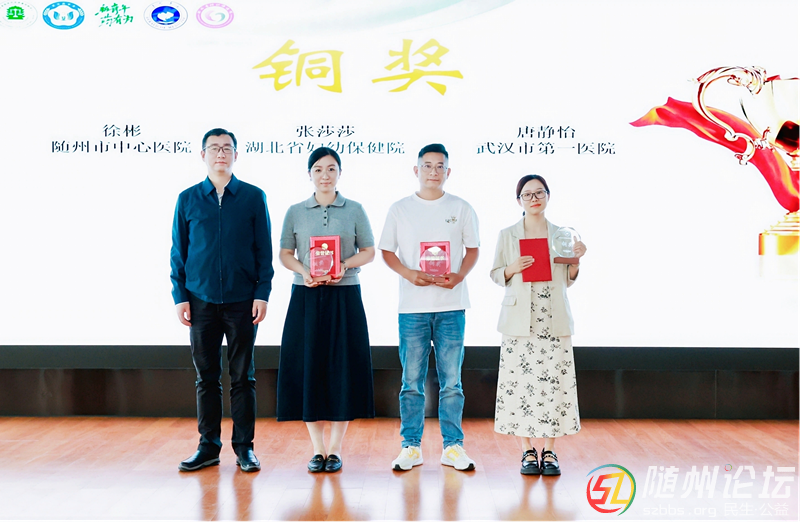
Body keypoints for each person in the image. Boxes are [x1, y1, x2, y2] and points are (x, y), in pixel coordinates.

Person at [170, 128, 273, 473]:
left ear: (236, 155)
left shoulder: (253, 197)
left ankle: (245, 448)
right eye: (214, 148)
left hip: (242, 300)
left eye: (227, 148)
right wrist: (180, 296)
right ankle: (208, 447)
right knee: (207, 377)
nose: (220, 154)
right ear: (203, 155)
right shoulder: (187, 199)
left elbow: (264, 251)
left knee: (243, 376)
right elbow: (179, 252)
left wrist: (262, 293)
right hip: (199, 301)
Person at [379, 143, 480, 472]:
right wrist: (409, 274)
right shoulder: (400, 209)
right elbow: (387, 251)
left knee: (452, 382)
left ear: (448, 172)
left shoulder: (461, 207)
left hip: (452, 305)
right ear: (416, 170)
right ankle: (410, 446)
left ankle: (453, 446)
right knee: (411, 381)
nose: (433, 172)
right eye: (427, 165)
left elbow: (473, 250)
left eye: (439, 166)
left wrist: (459, 276)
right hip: (413, 308)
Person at [277, 147, 376, 473]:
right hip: (305, 297)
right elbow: (285, 254)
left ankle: (335, 450)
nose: (325, 175)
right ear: (309, 174)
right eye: (318, 169)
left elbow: (369, 251)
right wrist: (304, 271)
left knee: (341, 369)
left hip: (344, 296)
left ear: (339, 173)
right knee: (308, 368)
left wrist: (343, 265)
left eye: (331, 169)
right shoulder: (295, 211)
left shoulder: (355, 209)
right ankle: (317, 449)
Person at [489, 174, 586, 476]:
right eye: (527, 194)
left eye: (539, 193)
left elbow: (568, 279)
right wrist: (511, 268)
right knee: (520, 386)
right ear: (518, 200)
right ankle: (527, 450)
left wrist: (576, 262)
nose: (534, 198)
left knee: (554, 386)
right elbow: (495, 274)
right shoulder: (507, 234)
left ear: (548, 196)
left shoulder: (562, 235)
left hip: (552, 319)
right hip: (519, 321)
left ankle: (551, 451)